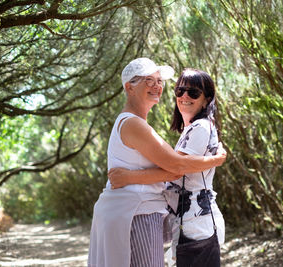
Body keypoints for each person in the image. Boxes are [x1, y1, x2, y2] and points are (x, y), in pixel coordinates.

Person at [87, 59, 226, 267]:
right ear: (129, 87)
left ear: (206, 100)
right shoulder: (133, 123)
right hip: (136, 212)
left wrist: (128, 177)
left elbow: (176, 167)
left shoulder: (136, 123)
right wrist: (215, 160)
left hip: (137, 212)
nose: (157, 86)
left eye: (159, 81)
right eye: (148, 80)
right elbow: (177, 166)